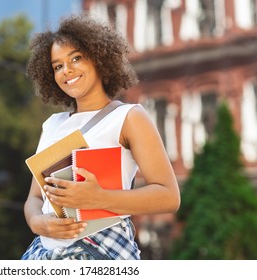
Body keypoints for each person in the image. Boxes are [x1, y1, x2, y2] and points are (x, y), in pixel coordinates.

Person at [21, 14, 180, 260]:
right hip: (45, 253)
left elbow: (168, 196)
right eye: (58, 66)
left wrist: (99, 198)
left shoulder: (128, 117)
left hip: (100, 251)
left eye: (76, 58)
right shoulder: (53, 125)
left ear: (98, 59)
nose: (67, 70)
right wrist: (38, 222)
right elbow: (34, 197)